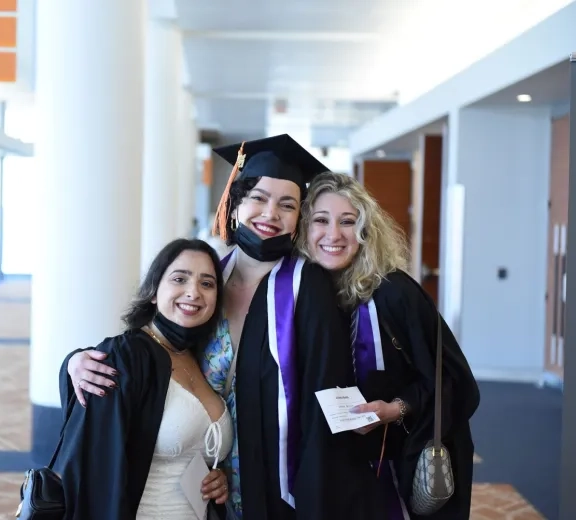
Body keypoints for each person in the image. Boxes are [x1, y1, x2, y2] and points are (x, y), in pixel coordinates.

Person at [66, 135, 384, 519]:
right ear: (235, 203)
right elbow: (154, 346)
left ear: (299, 217)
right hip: (205, 480)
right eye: (259, 198)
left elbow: (323, 401)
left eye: (287, 204)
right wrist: (76, 361)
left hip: (276, 485)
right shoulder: (209, 277)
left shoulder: (308, 288)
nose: (270, 213)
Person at [299, 172, 480, 519]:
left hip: (392, 469)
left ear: (366, 232)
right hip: (330, 470)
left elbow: (453, 381)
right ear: (304, 230)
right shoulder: (302, 297)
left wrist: (395, 408)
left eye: (348, 222)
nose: (333, 234)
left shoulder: (395, 293)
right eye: (321, 220)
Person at [53, 238, 233, 519]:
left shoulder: (203, 357)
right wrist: (72, 362)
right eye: (179, 278)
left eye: (207, 283)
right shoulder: (127, 356)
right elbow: (93, 467)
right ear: (153, 291)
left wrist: (217, 477)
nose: (193, 292)